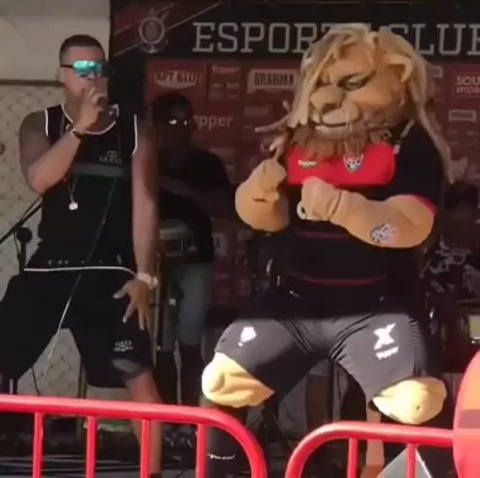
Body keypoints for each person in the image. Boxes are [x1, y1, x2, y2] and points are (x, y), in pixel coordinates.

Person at [200, 24, 455, 478]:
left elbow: (410, 226)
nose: (327, 97)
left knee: (415, 401)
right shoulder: (300, 141)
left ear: (397, 79)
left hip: (375, 306)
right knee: (222, 380)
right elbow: (270, 218)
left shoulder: (410, 143)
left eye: (351, 82)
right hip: (297, 301)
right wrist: (256, 196)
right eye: (320, 82)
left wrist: (343, 207)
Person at [0, 35, 163, 478]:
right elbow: (39, 178)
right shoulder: (41, 123)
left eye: (101, 68)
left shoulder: (135, 130)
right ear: (62, 76)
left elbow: (146, 205)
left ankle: (151, 473)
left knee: (139, 376)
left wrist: (144, 276)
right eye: (84, 70)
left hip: (110, 269)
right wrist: (80, 129)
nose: (95, 78)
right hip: (50, 266)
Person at [150, 93, 233, 413]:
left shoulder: (207, 163)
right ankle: (166, 420)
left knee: (190, 340)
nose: (183, 128)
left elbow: (227, 209)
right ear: (158, 125)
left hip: (196, 260)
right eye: (174, 121)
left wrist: (188, 192)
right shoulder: (147, 161)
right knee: (161, 344)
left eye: (188, 121)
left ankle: (191, 419)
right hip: (155, 263)